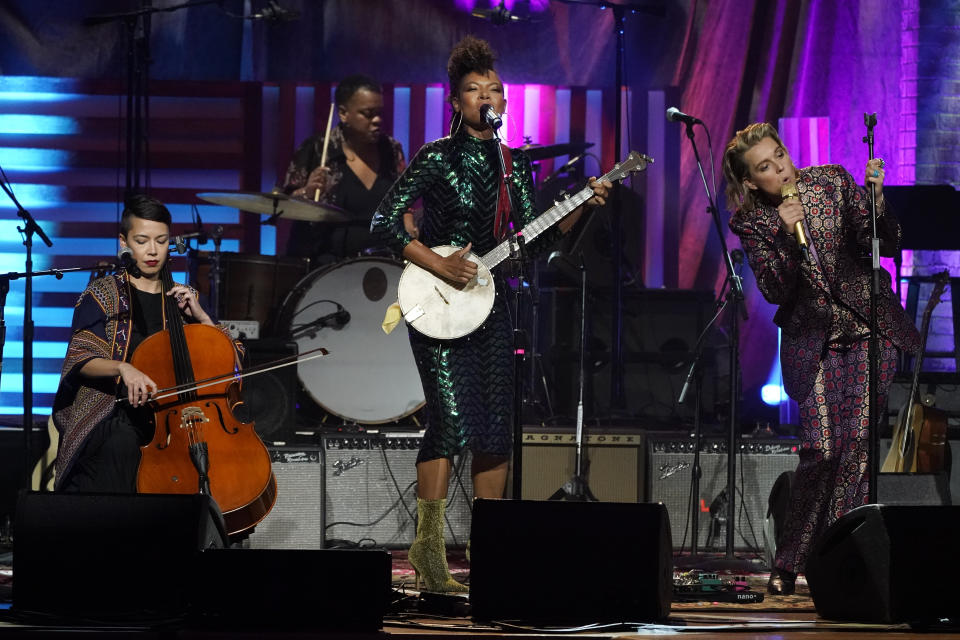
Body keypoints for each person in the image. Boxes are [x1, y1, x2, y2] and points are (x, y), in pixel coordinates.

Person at [371, 36, 612, 592]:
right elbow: (383, 225)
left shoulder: (508, 165)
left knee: (496, 430)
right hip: (436, 304)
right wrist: (438, 262)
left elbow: (531, 236)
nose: (488, 96)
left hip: (492, 302)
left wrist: (583, 206)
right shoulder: (437, 157)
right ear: (456, 102)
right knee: (451, 422)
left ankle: (491, 554)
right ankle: (428, 554)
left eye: (495, 89)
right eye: (475, 89)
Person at [723, 123, 921, 595]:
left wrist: (875, 202)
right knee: (822, 449)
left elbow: (884, 244)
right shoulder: (751, 223)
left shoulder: (830, 181)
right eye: (765, 167)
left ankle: (834, 562)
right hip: (812, 343)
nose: (780, 169)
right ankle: (791, 559)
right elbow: (774, 289)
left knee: (855, 449)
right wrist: (791, 238)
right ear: (751, 182)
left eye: (780, 156)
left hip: (868, 331)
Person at [52, 194, 240, 493]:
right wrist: (123, 368)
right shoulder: (103, 294)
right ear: (123, 242)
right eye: (142, 240)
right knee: (122, 444)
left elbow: (231, 360)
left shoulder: (183, 297)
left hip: (174, 417)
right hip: (113, 411)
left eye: (161, 240)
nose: (152, 250)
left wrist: (203, 318)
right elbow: (81, 357)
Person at [280, 74, 414, 262]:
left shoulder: (391, 149)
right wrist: (307, 192)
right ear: (343, 113)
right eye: (368, 114)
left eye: (379, 113)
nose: (377, 120)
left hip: (382, 262)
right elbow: (283, 204)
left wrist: (408, 220)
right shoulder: (317, 150)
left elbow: (403, 199)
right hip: (327, 262)